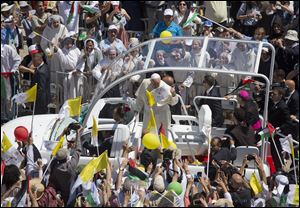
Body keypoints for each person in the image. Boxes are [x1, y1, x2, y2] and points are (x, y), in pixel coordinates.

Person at [48, 125, 83, 205]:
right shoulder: (70, 167)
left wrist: (63, 133)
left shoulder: (54, 166)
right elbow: (78, 150)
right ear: (67, 157)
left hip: (59, 193)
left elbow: (55, 149)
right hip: (70, 193)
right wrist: (78, 133)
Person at [40, 14, 68, 83]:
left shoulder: (63, 28)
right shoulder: (47, 29)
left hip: (61, 54)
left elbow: (68, 40)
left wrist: (63, 40)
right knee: (52, 74)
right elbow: (43, 44)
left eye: (57, 22)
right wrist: (48, 52)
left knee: (62, 73)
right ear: (51, 22)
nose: (56, 24)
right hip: (51, 56)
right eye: (54, 22)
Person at [54, 32, 81, 100]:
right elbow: (64, 61)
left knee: (77, 93)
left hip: (77, 74)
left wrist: (78, 69)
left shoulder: (76, 50)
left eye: (70, 41)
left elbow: (81, 61)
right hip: (67, 75)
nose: (68, 43)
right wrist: (56, 48)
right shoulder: (62, 51)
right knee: (67, 95)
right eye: (66, 41)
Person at [1, 40, 21, 121]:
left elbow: (18, 59)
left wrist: (12, 70)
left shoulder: (7, 48)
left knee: (9, 97)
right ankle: (3, 115)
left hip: (7, 76)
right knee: (2, 97)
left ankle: (10, 117)